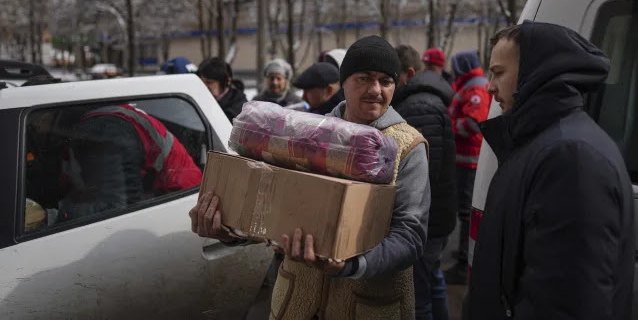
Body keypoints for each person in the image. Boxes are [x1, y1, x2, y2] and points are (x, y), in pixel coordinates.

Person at [190, 35, 431, 319]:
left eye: (385, 81)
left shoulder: (408, 146)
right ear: (343, 82)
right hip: (297, 303)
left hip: (367, 306)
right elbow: (271, 211)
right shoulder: (308, 134)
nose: (375, 90)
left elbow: (410, 236)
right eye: (364, 78)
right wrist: (229, 232)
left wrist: (352, 264)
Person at [466, 22, 635, 319]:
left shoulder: (571, 158)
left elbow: (565, 303)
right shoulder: (541, 145)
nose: (490, 86)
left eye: (499, 72)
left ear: (535, 73)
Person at [393, 45, 456, 320]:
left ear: (407, 74)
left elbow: (422, 174)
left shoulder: (418, 106)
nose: (385, 88)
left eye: (389, 79)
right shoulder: (425, 100)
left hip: (426, 220)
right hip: (435, 217)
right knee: (432, 281)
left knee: (417, 298)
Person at [64, 103, 203, 220]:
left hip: (181, 198)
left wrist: (60, 214)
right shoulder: (105, 119)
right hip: (175, 190)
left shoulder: (105, 131)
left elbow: (119, 207)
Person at [444, 49, 491, 285]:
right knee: (464, 209)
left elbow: (474, 122)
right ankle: (463, 252)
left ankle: (465, 262)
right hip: (464, 157)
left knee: (466, 212)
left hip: (469, 159)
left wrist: (448, 126)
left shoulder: (475, 88)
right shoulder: (468, 84)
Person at [197, 57, 247, 121]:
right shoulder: (198, 98)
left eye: (209, 82)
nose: (204, 86)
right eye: (201, 82)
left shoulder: (239, 106)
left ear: (227, 81)